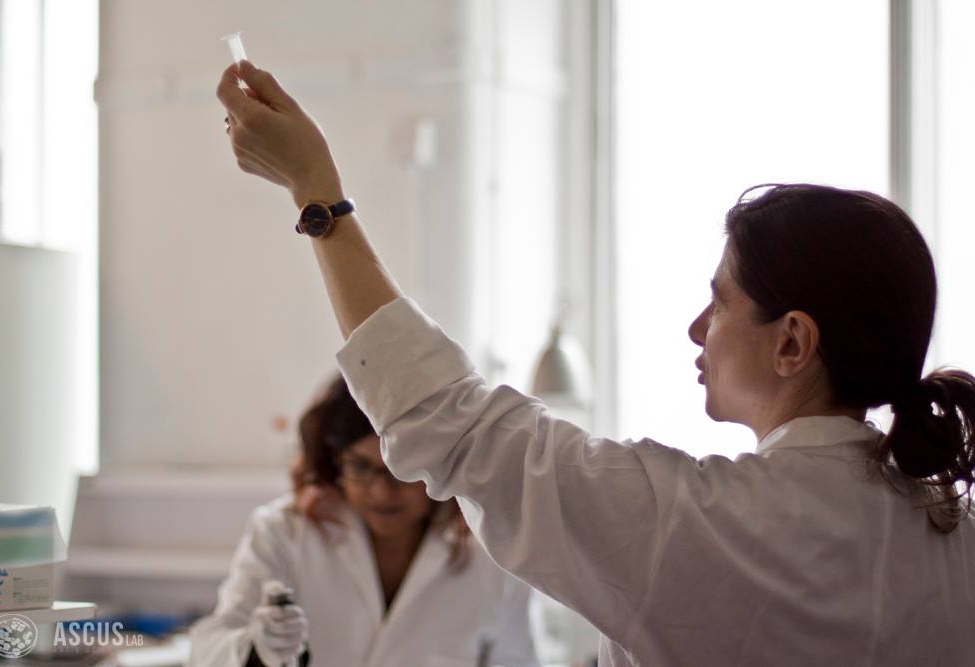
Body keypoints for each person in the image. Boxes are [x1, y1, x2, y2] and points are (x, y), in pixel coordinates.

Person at [216, 59, 975, 666]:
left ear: (791, 342)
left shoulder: (699, 526)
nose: (696, 327)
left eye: (721, 302)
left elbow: (446, 420)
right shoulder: (955, 538)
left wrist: (317, 194)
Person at [187, 374, 540, 667]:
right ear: (334, 463)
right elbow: (207, 649)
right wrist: (254, 649)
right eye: (360, 467)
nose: (381, 492)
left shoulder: (493, 555)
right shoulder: (284, 533)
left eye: (401, 472)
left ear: (440, 465)